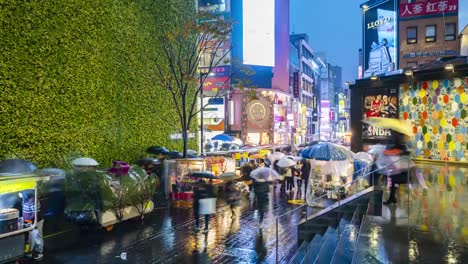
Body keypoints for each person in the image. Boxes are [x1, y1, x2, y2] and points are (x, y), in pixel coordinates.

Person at [22, 191, 44, 260]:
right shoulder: (25, 199)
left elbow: (35, 214)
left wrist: (30, 222)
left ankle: (39, 253)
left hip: (36, 221)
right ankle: (29, 253)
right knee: (29, 238)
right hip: (28, 222)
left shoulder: (33, 200)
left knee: (37, 237)